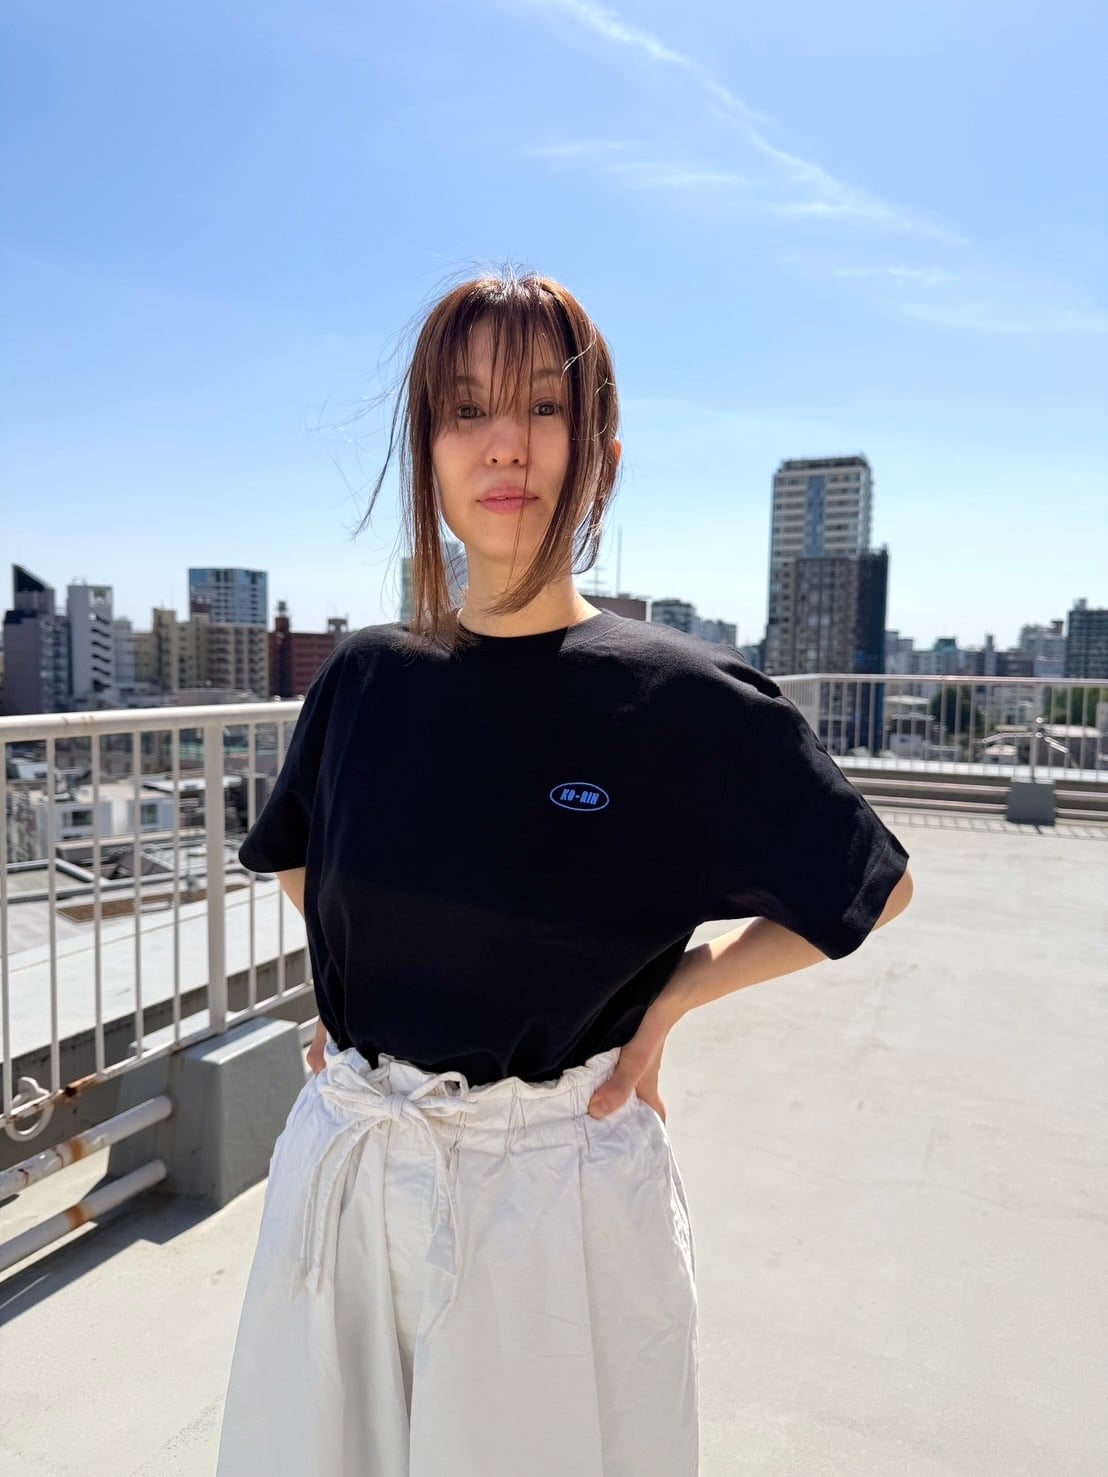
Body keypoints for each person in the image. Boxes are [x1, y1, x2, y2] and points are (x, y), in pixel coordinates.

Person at [215, 269, 914, 1477]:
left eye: (544, 406)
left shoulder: (678, 698)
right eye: (466, 408)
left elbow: (869, 884)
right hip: (347, 1170)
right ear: (428, 450)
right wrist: (359, 992)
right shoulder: (367, 678)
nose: (506, 444)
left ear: (602, 458)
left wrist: (676, 995)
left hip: (553, 1192)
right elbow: (301, 853)